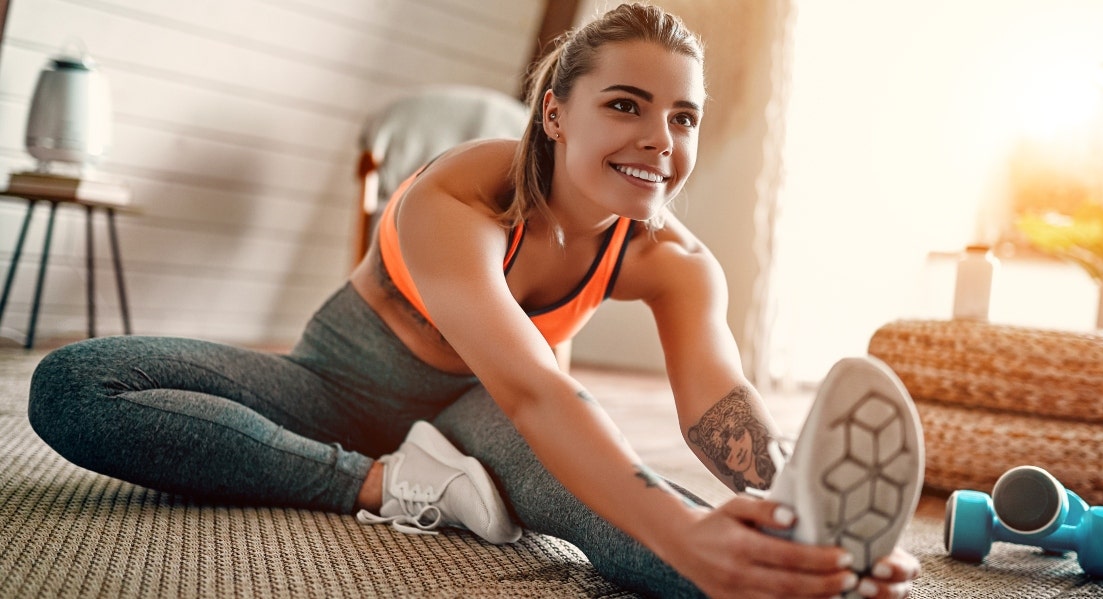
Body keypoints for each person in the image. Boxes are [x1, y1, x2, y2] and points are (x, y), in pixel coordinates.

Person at [27, 4, 923, 597]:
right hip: (334, 386)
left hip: (479, 416)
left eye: (683, 117)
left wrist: (795, 505)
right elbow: (539, 385)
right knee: (72, 385)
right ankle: (383, 483)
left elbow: (719, 414)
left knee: (627, 510)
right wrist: (370, 475)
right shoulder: (457, 198)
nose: (661, 141)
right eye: (627, 105)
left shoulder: (677, 260)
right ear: (556, 115)